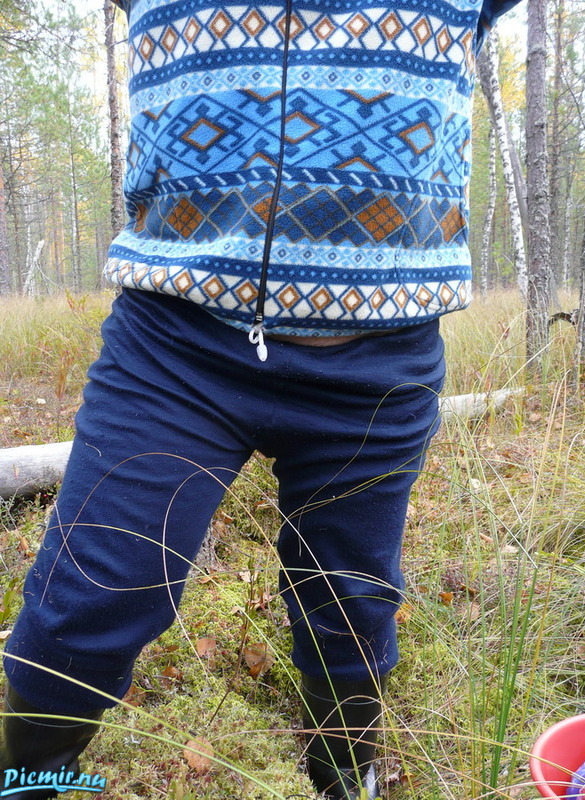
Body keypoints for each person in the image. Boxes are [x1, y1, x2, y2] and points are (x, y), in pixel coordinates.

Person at [1, 0, 522, 797]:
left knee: (352, 607)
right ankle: (32, 781)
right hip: (175, 346)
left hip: (380, 359)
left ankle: (346, 780)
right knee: (91, 590)